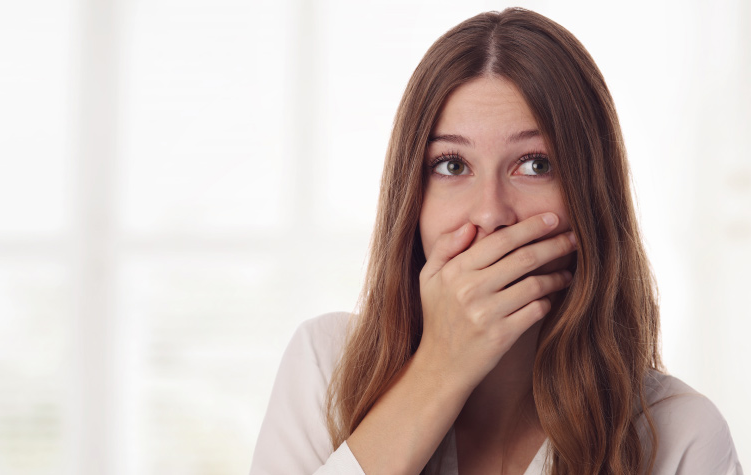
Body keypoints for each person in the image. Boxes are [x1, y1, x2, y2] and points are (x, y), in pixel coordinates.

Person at [250, 8, 742, 475]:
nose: (490, 212)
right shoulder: (324, 365)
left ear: (591, 195)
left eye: (535, 164)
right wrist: (439, 369)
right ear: (413, 200)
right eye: (452, 165)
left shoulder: (683, 434)